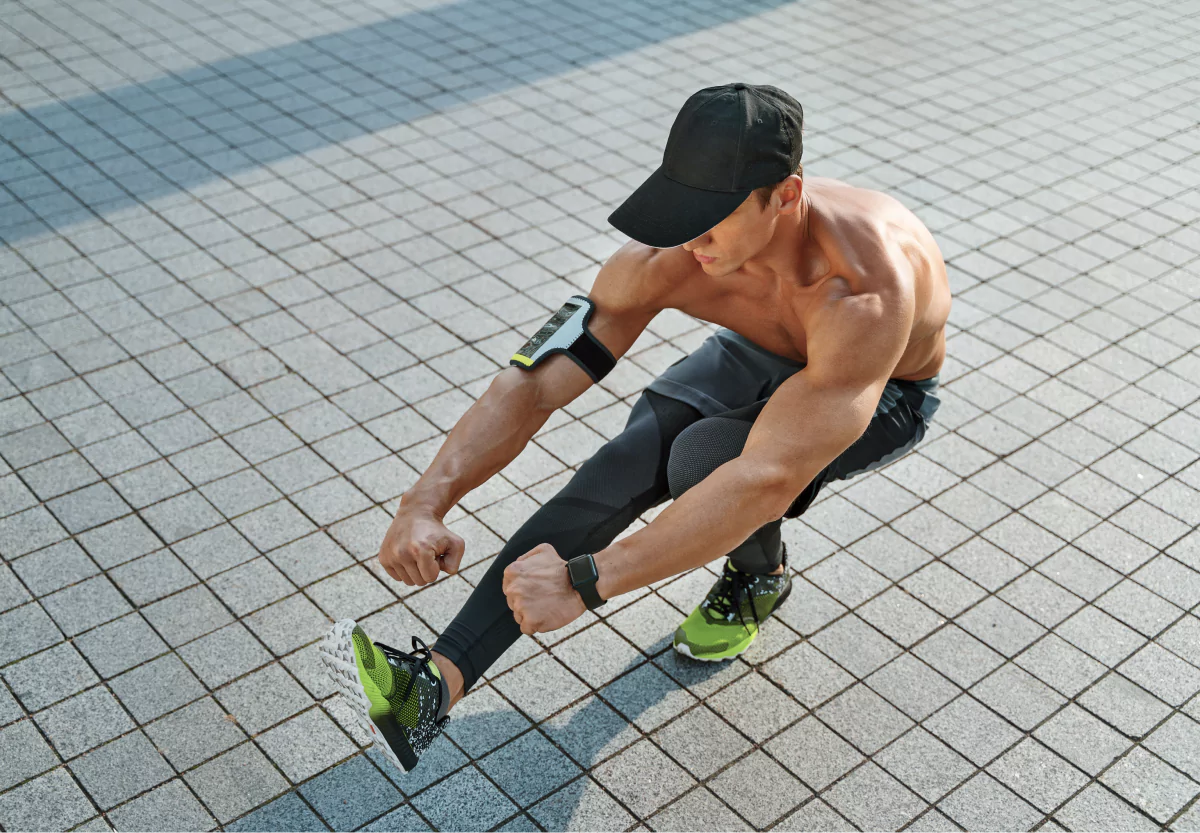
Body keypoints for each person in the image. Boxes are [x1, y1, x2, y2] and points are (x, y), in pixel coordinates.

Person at [319, 83, 950, 773]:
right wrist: (425, 499)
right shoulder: (670, 254)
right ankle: (432, 686)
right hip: (754, 348)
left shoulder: (864, 293)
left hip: (880, 385)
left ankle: (759, 576)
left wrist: (587, 581)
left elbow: (765, 477)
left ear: (787, 197)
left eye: (714, 216)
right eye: (684, 210)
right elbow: (534, 380)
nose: (692, 237)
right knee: (622, 465)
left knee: (705, 459)